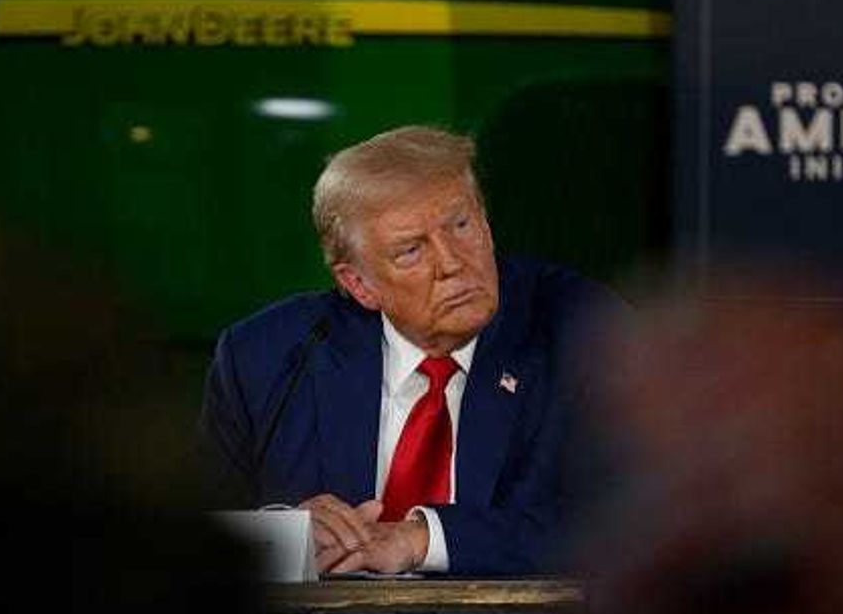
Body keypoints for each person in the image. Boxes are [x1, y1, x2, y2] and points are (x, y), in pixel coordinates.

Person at [201, 125, 618, 576]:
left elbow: (629, 529)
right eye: (411, 251)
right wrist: (289, 539)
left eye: (460, 225)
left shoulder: (585, 334)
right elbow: (183, 549)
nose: (453, 262)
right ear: (359, 285)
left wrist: (424, 538)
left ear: (486, 222)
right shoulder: (265, 359)